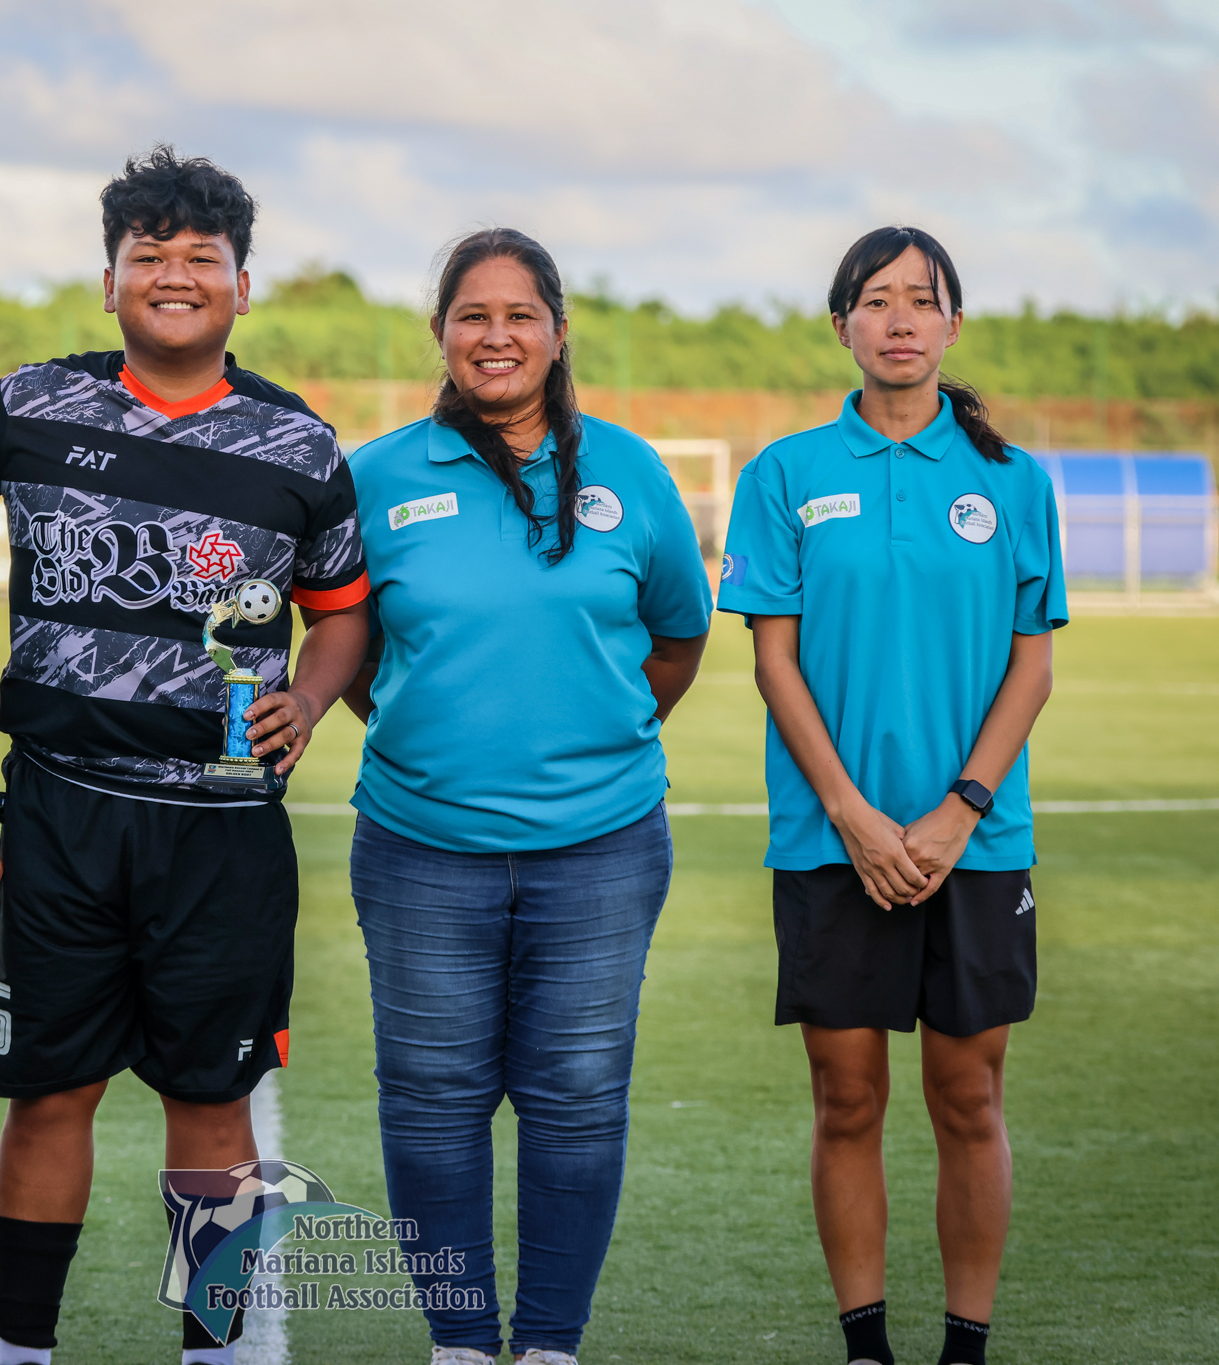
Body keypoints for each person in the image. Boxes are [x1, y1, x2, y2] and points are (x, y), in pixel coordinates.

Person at [0, 147, 369, 1365]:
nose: (174, 276)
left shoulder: (295, 444)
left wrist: (308, 687)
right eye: (150, 258)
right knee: (50, 1094)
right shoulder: (28, 407)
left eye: (201, 260)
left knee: (211, 1099)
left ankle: (213, 1354)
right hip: (62, 812)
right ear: (108, 280)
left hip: (222, 823)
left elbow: (341, 608)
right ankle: (20, 1354)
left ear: (244, 285)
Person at [341, 227, 712, 1365]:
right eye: (470, 316)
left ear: (557, 334)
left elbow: (676, 641)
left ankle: (547, 1345)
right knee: (431, 1104)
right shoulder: (379, 475)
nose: (493, 336)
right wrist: (434, 738)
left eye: (517, 316)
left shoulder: (630, 471)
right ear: (441, 335)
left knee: (576, 1102)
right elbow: (349, 655)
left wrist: (586, 740)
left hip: (597, 851)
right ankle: (460, 1345)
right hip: (419, 849)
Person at [715, 226, 1067, 1365]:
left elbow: (1031, 663)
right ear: (842, 327)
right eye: (876, 300)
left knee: (967, 1099)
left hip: (978, 837)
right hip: (831, 843)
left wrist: (958, 809)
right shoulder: (784, 476)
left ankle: (963, 1346)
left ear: (951, 325)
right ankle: (864, 1347)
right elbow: (773, 662)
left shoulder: (1012, 482)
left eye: (921, 301)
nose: (900, 319)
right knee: (846, 1097)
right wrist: (856, 820)